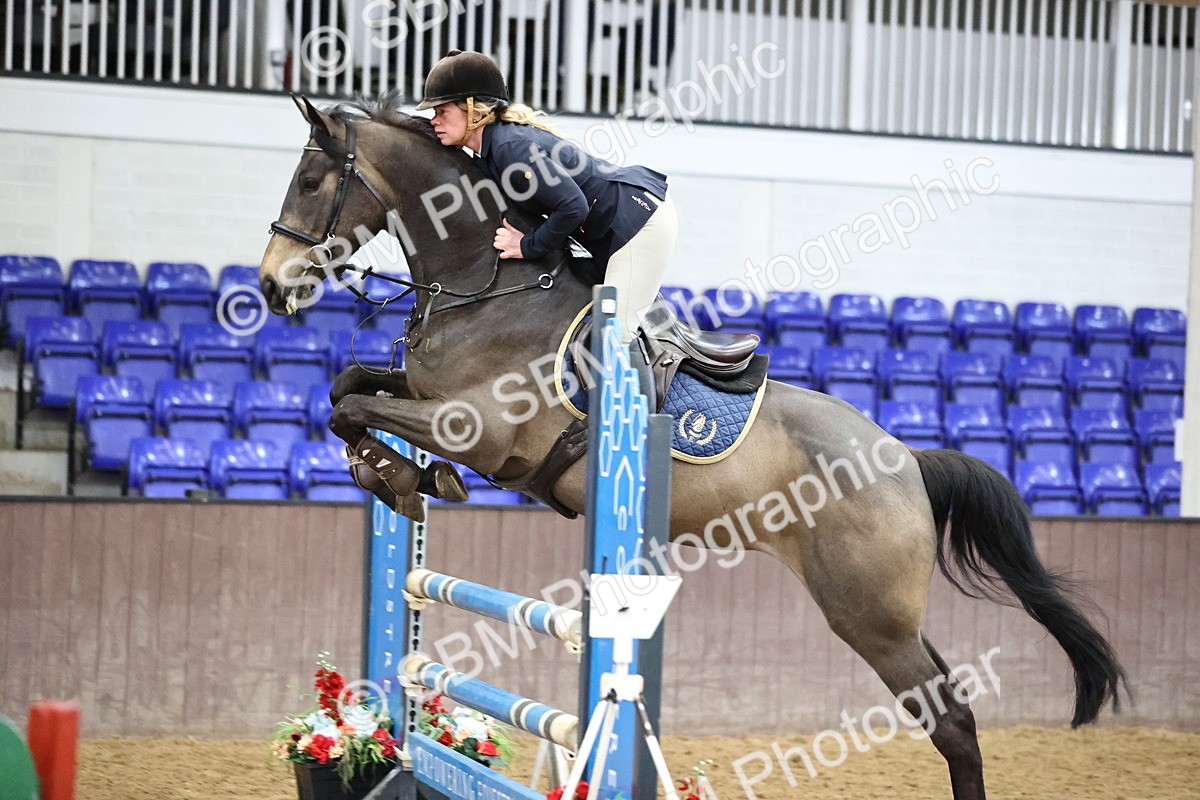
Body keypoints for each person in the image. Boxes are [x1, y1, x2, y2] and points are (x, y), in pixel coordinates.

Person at [417, 50, 678, 360]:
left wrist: (526, 246)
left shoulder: (510, 149)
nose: (434, 120)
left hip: (639, 225)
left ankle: (645, 392)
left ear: (474, 111)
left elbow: (573, 207)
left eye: (442, 111)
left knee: (614, 337)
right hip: (611, 228)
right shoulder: (491, 151)